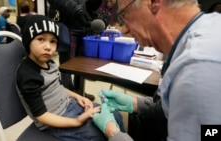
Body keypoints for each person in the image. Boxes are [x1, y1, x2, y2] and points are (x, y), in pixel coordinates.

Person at [92, 0, 221, 141]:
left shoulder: (196, 69)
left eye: (124, 15)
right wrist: (134, 103)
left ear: (154, 3)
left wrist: (113, 133)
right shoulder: (211, 28)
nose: (124, 30)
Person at [16, 15, 125, 141]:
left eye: (53, 41)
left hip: (70, 104)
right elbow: (41, 116)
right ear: (28, 40)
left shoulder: (49, 63)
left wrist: (79, 97)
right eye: (41, 39)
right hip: (54, 120)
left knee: (115, 115)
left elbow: (58, 87)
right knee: (100, 134)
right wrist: (77, 121)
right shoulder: (27, 74)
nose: (48, 47)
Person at [48, 0, 103, 101]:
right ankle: (68, 94)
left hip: (85, 25)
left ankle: (79, 91)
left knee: (82, 65)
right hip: (68, 25)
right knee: (66, 65)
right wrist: (76, 9)